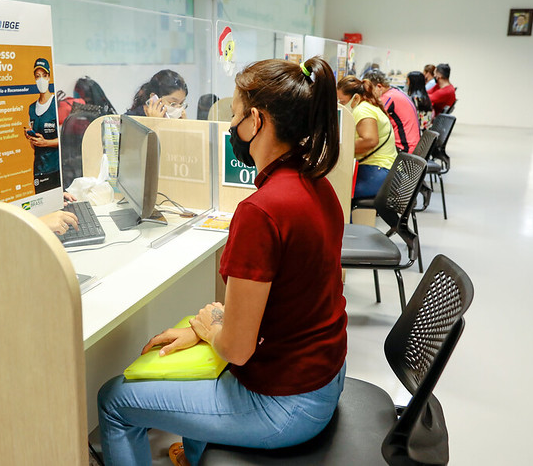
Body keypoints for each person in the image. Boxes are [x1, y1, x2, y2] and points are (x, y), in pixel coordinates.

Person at [97, 57, 347, 466]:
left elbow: (236, 350)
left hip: (286, 407)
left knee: (113, 400)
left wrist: (211, 328)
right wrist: (210, 325)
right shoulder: (316, 187)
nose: (231, 126)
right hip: (323, 377)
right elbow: (285, 297)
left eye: (233, 114)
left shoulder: (261, 211)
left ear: (257, 121)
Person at [337, 75, 397, 198]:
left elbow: (370, 140)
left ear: (356, 98)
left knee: (339, 193)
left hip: (378, 171)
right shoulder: (367, 105)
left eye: (342, 102)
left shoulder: (362, 110)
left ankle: (347, 218)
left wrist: (338, 149)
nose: (341, 106)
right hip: (382, 170)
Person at [24, 57, 61, 193]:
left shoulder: (56, 104)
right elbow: (34, 146)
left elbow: (64, 141)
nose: (41, 80)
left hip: (55, 169)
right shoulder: (31, 108)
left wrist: (45, 142)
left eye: (44, 76)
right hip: (39, 170)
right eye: (37, 76)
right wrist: (31, 138)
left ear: (49, 77)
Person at [364, 69, 420, 152]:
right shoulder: (395, 92)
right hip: (413, 146)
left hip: (405, 149)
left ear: (379, 87)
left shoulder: (388, 98)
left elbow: (372, 118)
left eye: (370, 91)